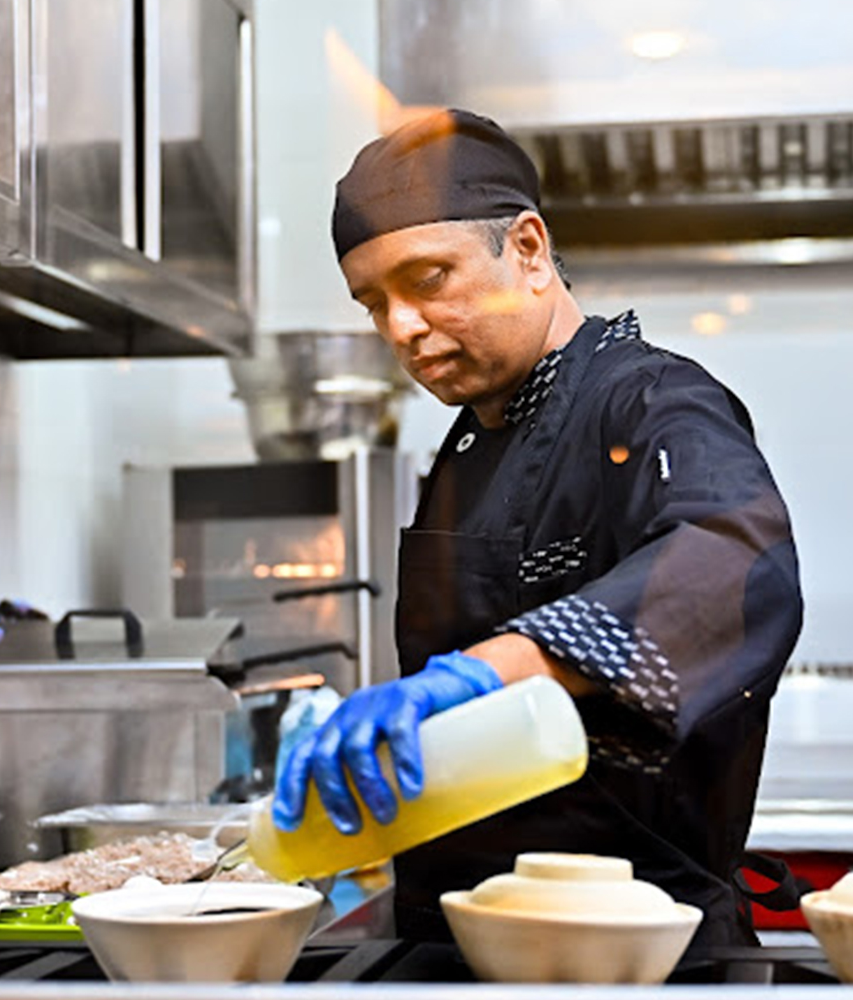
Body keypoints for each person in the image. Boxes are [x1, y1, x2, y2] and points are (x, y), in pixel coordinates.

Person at [271, 108, 803, 949]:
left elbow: (733, 559)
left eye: (428, 279)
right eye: (374, 302)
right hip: (462, 932)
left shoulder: (653, 399)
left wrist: (478, 677)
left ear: (527, 250)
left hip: (629, 946)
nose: (399, 328)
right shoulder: (473, 438)